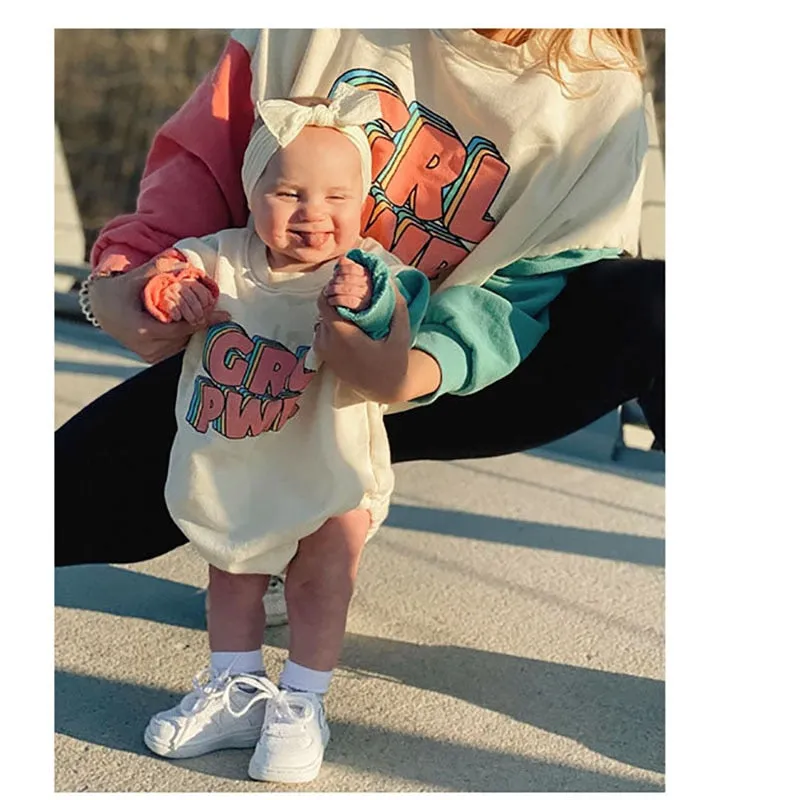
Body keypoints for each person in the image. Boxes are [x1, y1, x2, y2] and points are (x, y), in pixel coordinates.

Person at [56, 30, 663, 605]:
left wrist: (400, 372)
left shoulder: (600, 89)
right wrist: (120, 283)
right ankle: (285, 526)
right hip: (267, 352)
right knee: (61, 502)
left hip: (438, 368)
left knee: (661, 308)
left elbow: (528, 287)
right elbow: (206, 163)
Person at [139, 87, 438, 783]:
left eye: (338, 197)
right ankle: (236, 688)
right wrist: (169, 290)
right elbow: (169, 270)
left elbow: (398, 321)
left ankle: (303, 701)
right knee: (232, 573)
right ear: (252, 191)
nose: (315, 215)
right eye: (291, 193)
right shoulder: (222, 257)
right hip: (237, 462)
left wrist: (362, 310)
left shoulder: (360, 270)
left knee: (321, 578)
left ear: (361, 203)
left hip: (332, 465)